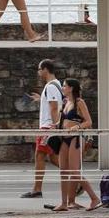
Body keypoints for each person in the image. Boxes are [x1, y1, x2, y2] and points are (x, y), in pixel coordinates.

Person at [53, 79, 102, 212]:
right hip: (64, 138)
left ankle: (94, 198)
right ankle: (64, 203)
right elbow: (61, 121)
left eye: (64, 86)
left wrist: (77, 127)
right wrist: (55, 125)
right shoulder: (64, 102)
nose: (62, 88)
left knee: (74, 171)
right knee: (63, 171)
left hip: (75, 138)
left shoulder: (79, 102)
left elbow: (89, 121)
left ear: (71, 88)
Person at [21, 59, 63, 198]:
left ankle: (37, 189)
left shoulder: (50, 86)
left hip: (47, 127)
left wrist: (55, 126)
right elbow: (54, 103)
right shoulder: (57, 85)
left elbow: (54, 107)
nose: (38, 72)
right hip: (51, 126)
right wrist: (41, 99)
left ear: (45, 69)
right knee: (53, 158)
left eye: (39, 69)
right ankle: (77, 178)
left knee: (39, 155)